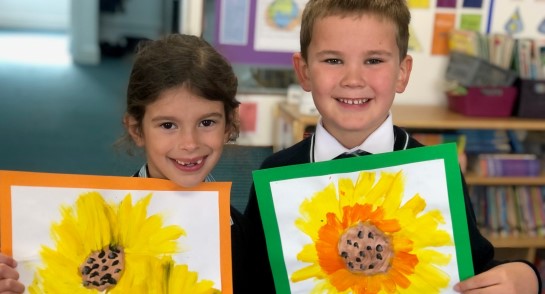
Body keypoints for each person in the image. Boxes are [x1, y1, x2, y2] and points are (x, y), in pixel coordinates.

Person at [244, 0, 542, 293]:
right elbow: (252, 277)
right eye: (333, 60)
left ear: (402, 73)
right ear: (304, 71)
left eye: (373, 60)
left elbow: (473, 269)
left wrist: (527, 276)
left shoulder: (435, 174)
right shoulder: (277, 174)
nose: (353, 80)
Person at [0, 33, 251, 293]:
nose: (189, 143)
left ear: (229, 124)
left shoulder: (242, 234)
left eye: (206, 122)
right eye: (168, 125)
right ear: (136, 129)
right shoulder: (98, 226)